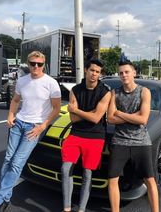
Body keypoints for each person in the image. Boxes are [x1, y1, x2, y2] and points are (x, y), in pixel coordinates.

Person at [0, 51, 61, 212]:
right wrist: (10, 115)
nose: (35, 67)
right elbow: (15, 100)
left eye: (39, 64)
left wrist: (43, 126)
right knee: (8, 160)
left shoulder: (51, 83)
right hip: (19, 124)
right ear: (28, 63)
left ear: (44, 65)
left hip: (34, 127)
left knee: (17, 163)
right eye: (32, 63)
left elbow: (57, 108)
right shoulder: (22, 81)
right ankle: (5, 199)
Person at [107, 60, 159, 212]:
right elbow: (110, 118)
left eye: (127, 72)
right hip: (119, 141)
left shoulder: (144, 92)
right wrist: (133, 116)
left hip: (141, 141)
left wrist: (120, 113)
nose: (123, 75)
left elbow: (143, 119)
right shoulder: (114, 93)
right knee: (112, 178)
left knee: (149, 179)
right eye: (121, 73)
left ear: (134, 73)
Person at [61, 59, 111, 212]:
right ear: (86, 70)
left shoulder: (105, 92)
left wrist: (76, 110)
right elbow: (73, 119)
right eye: (92, 70)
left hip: (96, 136)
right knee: (65, 169)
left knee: (87, 173)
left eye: (98, 72)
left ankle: (81, 209)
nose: (94, 74)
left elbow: (96, 119)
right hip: (76, 133)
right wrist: (90, 113)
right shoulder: (75, 90)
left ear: (100, 74)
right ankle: (67, 208)